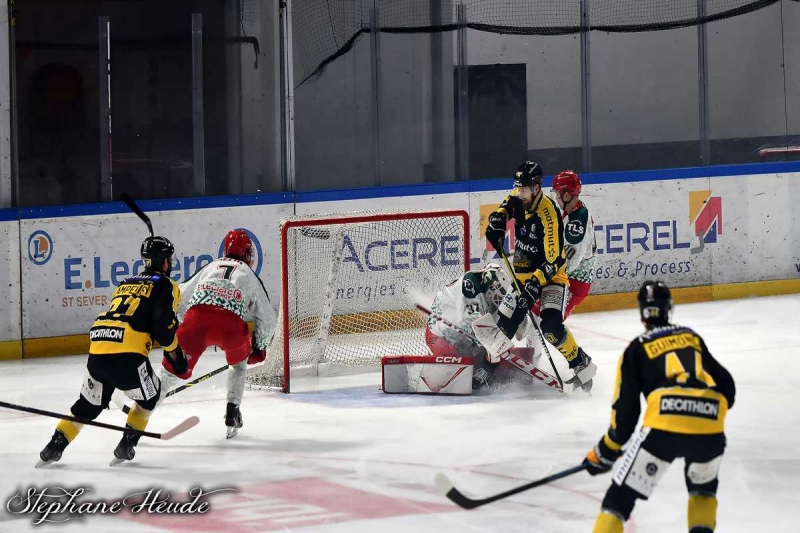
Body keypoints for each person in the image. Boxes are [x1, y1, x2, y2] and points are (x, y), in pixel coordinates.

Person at [582, 280, 736, 533]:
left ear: (642, 314)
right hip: (710, 427)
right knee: (702, 491)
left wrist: (605, 451)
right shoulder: (691, 338)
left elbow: (625, 419)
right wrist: (700, 412)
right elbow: (727, 388)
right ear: (669, 309)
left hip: (663, 428)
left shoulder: (636, 349)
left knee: (617, 502)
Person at [37, 236, 187, 467]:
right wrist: (177, 357)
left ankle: (55, 445)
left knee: (88, 405)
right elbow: (163, 329)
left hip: (98, 347)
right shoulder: (167, 285)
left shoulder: (126, 282)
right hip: (128, 354)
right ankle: (127, 444)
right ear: (165, 261)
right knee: (150, 398)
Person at [474, 160, 596, 391]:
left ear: (536, 188)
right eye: (518, 188)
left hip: (551, 279)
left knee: (550, 326)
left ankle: (580, 363)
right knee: (502, 328)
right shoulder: (520, 195)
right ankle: (487, 369)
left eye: (524, 189)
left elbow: (554, 261)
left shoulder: (548, 214)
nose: (520, 193)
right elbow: (507, 205)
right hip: (523, 277)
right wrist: (498, 220)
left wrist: (534, 285)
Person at [167, 230, 276, 438]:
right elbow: (268, 320)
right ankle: (232, 411)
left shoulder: (210, 267)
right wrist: (259, 346)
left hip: (197, 321)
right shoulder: (249, 274)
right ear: (246, 253)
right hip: (231, 328)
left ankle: (148, 403)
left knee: (170, 371)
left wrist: (181, 325)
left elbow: (179, 296)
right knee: (238, 366)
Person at [425, 263, 513, 389]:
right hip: (440, 337)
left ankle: (478, 367)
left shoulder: (481, 290)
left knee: (495, 359)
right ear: (492, 287)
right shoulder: (469, 284)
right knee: (477, 363)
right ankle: (439, 367)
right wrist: (492, 350)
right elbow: (470, 321)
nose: (497, 302)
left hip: (458, 336)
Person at [532, 170, 596, 320]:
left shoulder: (577, 222)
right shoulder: (572, 210)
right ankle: (535, 342)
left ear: (567, 195)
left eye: (558, 194)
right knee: (536, 311)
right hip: (566, 280)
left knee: (547, 319)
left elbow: (569, 263)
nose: (556, 198)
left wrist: (544, 274)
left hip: (573, 284)